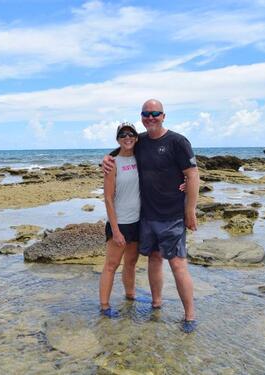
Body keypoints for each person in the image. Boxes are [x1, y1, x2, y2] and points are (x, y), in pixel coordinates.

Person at [103, 99, 200, 333]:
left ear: (164, 115)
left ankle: (189, 316)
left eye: (155, 113)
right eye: (146, 114)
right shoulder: (141, 140)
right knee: (154, 260)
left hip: (172, 216)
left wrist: (190, 210)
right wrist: (106, 158)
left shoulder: (178, 141)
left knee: (178, 265)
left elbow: (193, 174)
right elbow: (122, 150)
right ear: (142, 116)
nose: (151, 117)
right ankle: (156, 303)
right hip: (146, 216)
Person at [99, 122, 142, 318]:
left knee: (131, 263)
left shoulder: (142, 158)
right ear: (118, 139)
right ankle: (105, 305)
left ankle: (130, 296)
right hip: (120, 222)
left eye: (131, 134)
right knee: (111, 264)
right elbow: (108, 198)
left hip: (138, 221)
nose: (127, 137)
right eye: (123, 134)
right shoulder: (112, 163)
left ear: (136, 137)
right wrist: (115, 230)